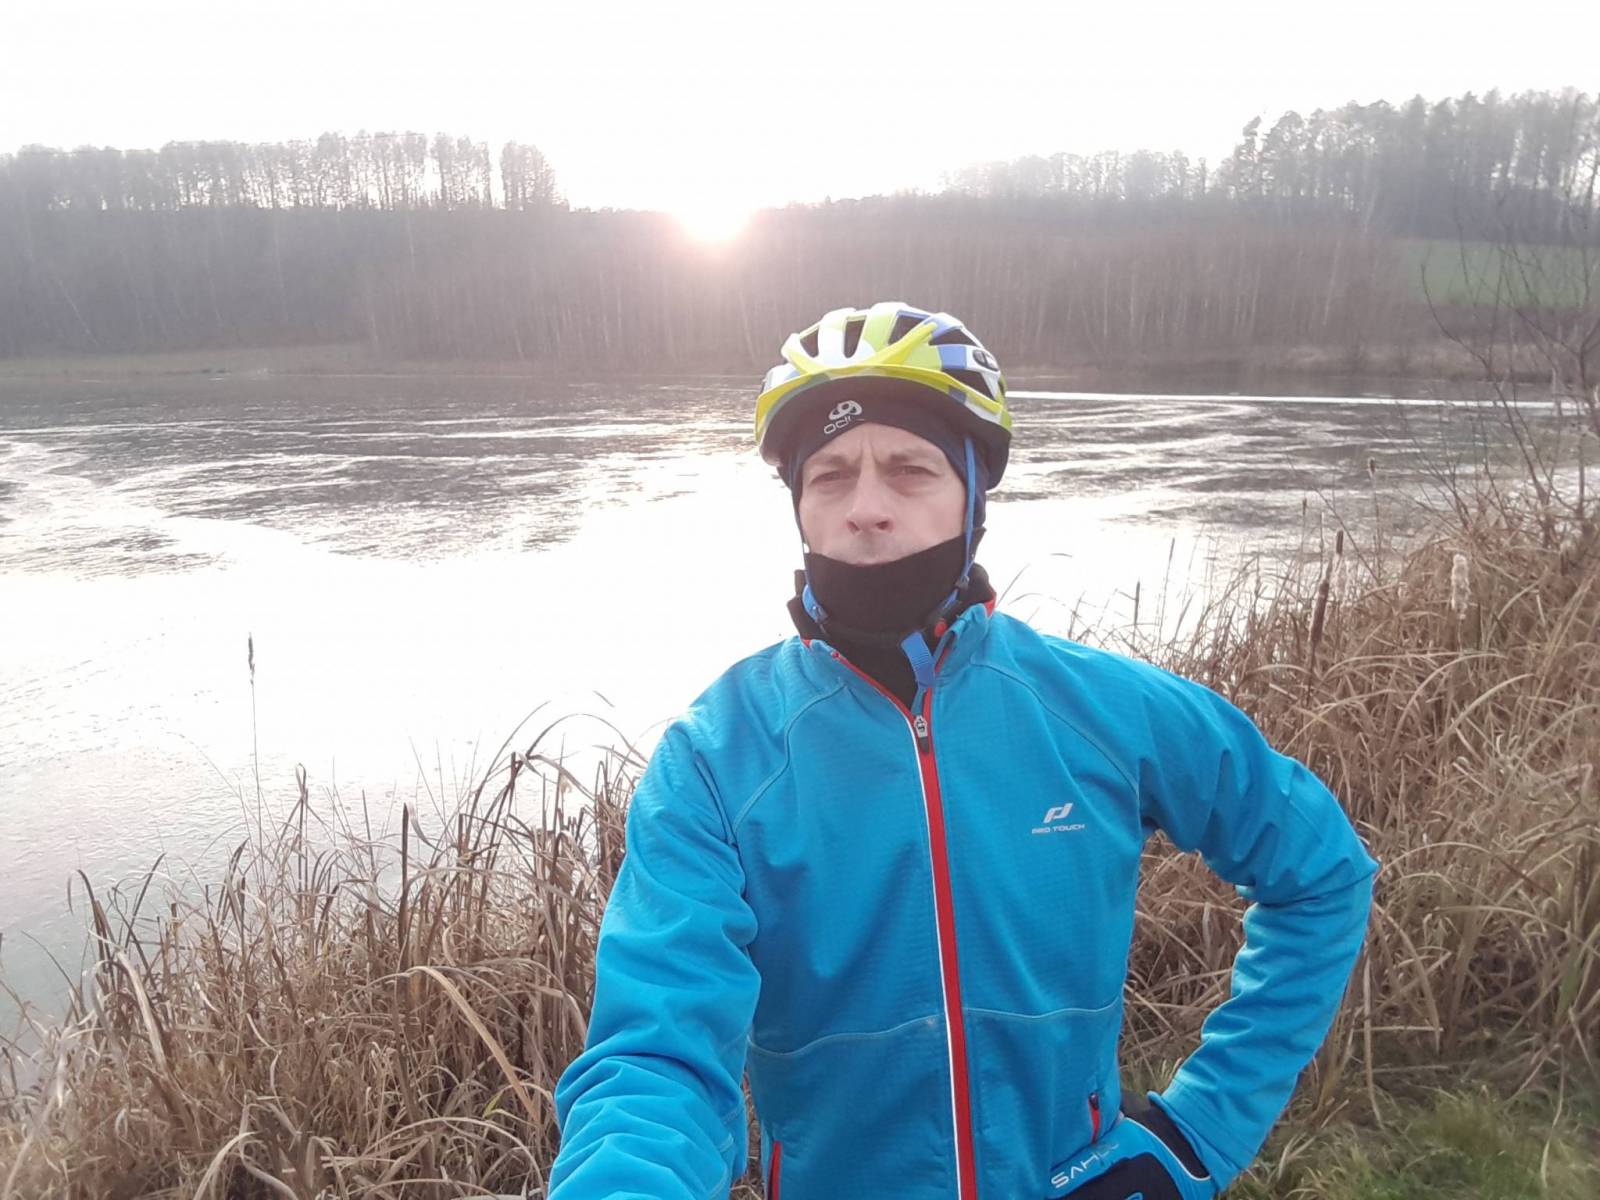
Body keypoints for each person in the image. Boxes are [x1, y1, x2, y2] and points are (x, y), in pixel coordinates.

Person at [546, 302, 1379, 1199]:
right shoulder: (717, 759)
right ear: (798, 506)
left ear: (975, 495)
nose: (866, 509)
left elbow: (1321, 875)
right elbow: (655, 1058)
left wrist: (1200, 1128)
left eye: (910, 470)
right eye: (830, 475)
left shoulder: (1104, 710)